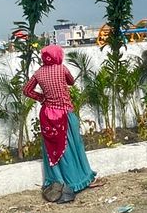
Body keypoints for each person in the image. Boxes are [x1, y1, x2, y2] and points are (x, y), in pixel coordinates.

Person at [23, 45, 97, 197]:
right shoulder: (62, 69)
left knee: (52, 148)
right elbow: (71, 82)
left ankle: (58, 181)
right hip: (64, 113)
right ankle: (77, 180)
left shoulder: (38, 73)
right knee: (72, 146)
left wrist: (42, 98)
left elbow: (26, 90)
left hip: (47, 114)